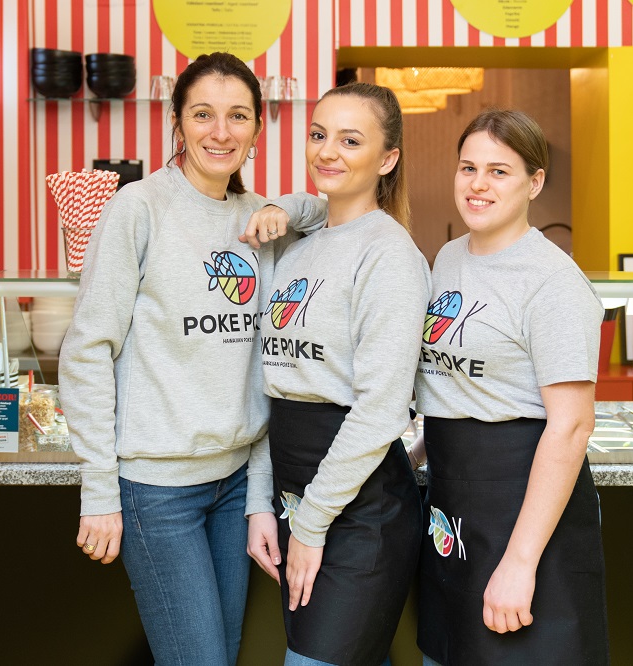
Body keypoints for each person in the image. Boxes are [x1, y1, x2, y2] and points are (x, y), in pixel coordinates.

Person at [58, 52, 323, 666]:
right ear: (177, 121)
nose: (221, 132)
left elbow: (329, 213)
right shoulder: (138, 208)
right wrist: (99, 488)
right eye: (203, 114)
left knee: (220, 655)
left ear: (258, 127)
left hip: (234, 486)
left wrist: (285, 207)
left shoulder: (259, 219)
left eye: (238, 116)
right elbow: (88, 350)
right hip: (156, 489)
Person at [412, 109, 609, 665]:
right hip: (452, 508)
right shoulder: (449, 259)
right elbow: (458, 385)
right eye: (468, 168)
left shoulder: (552, 281)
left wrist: (520, 563)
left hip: (523, 513)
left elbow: (572, 427)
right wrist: (416, 454)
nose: (478, 184)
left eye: (499, 171)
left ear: (534, 182)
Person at [243, 82, 431, 666]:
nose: (328, 151)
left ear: (387, 159)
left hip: (360, 511)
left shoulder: (389, 255)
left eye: (351, 140)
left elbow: (380, 410)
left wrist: (311, 524)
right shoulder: (298, 246)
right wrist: (262, 503)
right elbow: (273, 389)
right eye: (319, 135)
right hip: (296, 497)